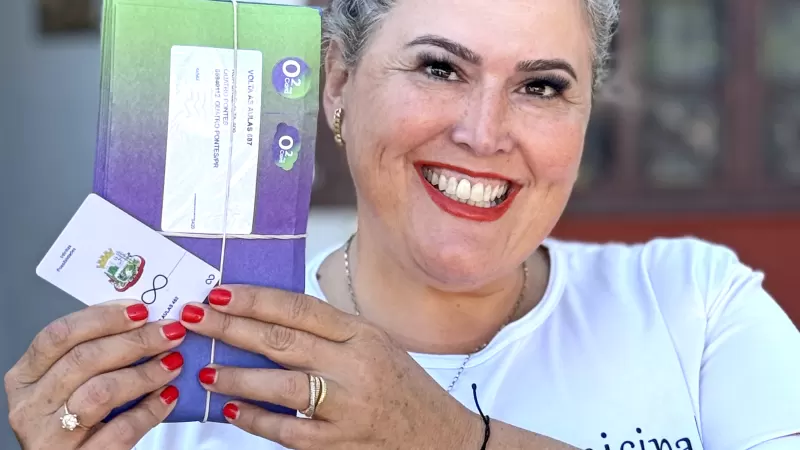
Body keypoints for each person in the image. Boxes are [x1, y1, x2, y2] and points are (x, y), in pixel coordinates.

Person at [6, 0, 800, 448]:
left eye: (542, 86)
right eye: (438, 68)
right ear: (337, 83)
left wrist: (446, 436)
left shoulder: (695, 302)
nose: (484, 134)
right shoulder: (187, 377)